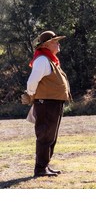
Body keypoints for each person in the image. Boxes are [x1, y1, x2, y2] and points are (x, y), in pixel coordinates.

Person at [21, 30, 71, 177]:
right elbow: (32, 81)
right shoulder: (43, 60)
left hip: (52, 103)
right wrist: (31, 95)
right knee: (45, 136)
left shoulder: (48, 59)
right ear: (47, 45)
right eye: (55, 41)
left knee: (51, 137)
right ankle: (40, 169)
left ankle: (45, 166)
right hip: (46, 103)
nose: (58, 43)